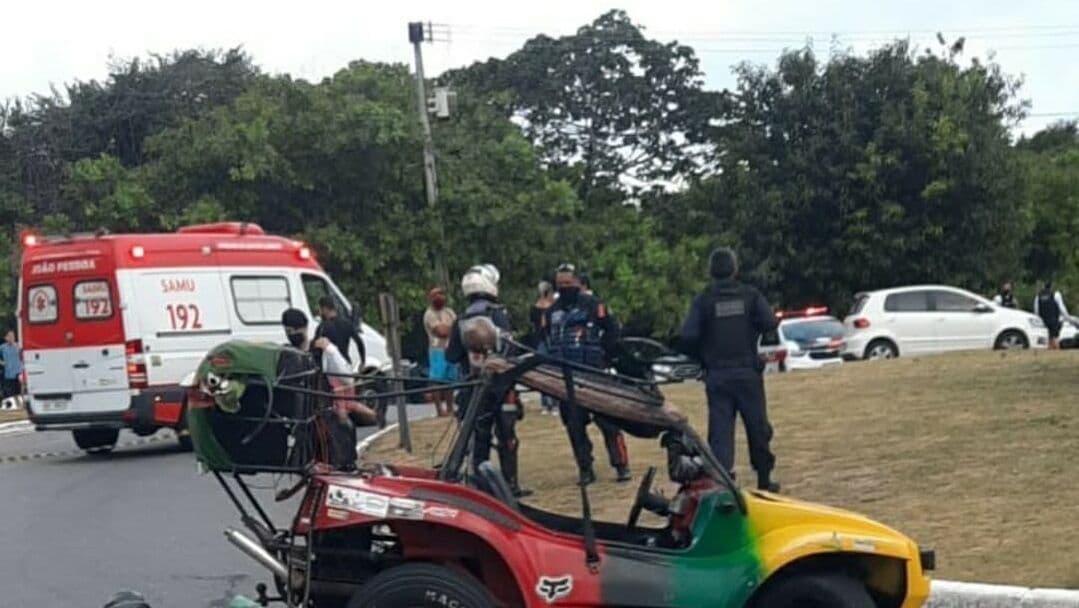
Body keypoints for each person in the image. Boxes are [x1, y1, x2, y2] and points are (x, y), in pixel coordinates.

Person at [677, 247, 780, 492]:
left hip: (717, 375)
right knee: (758, 426)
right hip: (747, 372)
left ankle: (723, 483)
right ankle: (764, 478)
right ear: (735, 269)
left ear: (711, 271)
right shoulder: (750, 296)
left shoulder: (703, 301)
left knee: (721, 431)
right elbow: (770, 323)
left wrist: (703, 358)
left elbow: (687, 336)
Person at [445, 264, 530, 497]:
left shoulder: (460, 319)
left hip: (473, 388)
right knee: (508, 436)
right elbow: (510, 349)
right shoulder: (498, 313)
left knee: (478, 437)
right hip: (502, 386)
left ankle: (480, 487)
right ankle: (511, 486)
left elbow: (451, 355)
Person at [542, 263, 631, 486]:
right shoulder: (552, 311)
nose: (564, 287)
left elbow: (612, 331)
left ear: (578, 283)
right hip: (567, 379)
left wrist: (608, 358)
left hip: (595, 374)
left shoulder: (594, 305)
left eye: (568, 283)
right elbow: (544, 339)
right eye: (560, 284)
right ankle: (585, 469)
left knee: (609, 423)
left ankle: (621, 465)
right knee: (574, 427)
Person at [282, 308, 375, 468]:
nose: (291, 333)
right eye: (288, 330)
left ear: (304, 328)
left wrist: (330, 350)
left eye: (293, 329)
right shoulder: (289, 354)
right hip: (306, 421)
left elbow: (346, 377)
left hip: (317, 419)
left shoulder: (319, 350)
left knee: (343, 430)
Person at [423, 287, 457, 417]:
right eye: (436, 295)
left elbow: (457, 328)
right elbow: (441, 332)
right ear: (430, 298)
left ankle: (450, 407)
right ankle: (439, 409)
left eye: (442, 294)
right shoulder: (429, 314)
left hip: (450, 348)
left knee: (450, 379)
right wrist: (451, 330)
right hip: (437, 350)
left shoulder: (449, 312)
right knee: (437, 379)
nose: (440, 297)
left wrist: (450, 330)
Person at [528, 281, 558, 415]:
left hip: (545, 340)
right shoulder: (545, 309)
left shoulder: (542, 307)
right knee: (545, 371)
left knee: (552, 370)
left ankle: (552, 402)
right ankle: (547, 403)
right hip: (544, 340)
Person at [315, 297, 365, 367]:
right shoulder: (347, 323)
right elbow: (359, 342)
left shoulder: (322, 327)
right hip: (345, 364)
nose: (320, 313)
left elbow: (316, 350)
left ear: (325, 309)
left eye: (320, 309)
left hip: (331, 368)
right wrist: (363, 361)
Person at [1034, 280, 1072, 349]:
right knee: (1055, 336)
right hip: (1053, 319)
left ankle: (1050, 350)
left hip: (1043, 320)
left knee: (1049, 336)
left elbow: (1036, 310)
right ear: (1052, 286)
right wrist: (1067, 317)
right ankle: (1056, 351)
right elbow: (1061, 307)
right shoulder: (1055, 294)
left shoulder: (1038, 296)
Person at [0, 329, 22, 400]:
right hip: (8, 375)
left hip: (19, 373)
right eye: (9, 336)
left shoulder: (19, 346)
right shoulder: (2, 347)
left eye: (13, 336)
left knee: (19, 394)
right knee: (10, 395)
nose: (11, 337)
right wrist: (1, 362)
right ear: (5, 338)